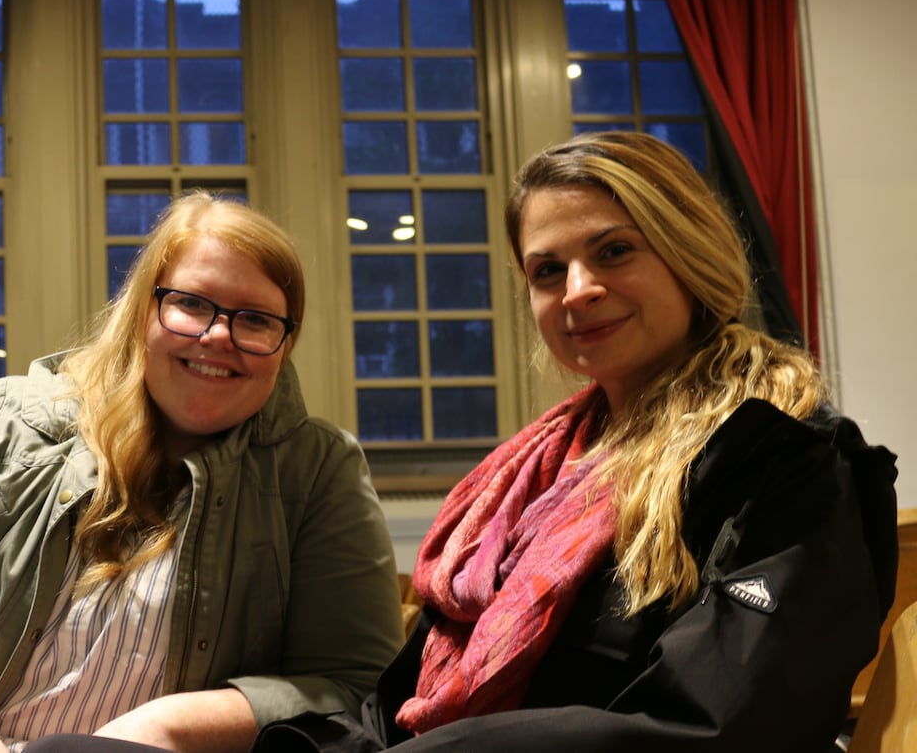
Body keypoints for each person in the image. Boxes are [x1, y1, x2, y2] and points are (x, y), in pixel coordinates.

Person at [256, 131, 899, 753]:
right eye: (547, 270)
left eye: (615, 251)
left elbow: (712, 726)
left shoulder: (790, 458)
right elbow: (395, 707)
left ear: (689, 253)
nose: (578, 290)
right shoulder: (532, 475)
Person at [0, 191, 403, 753]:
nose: (219, 335)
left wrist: (168, 726)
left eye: (256, 319)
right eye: (191, 303)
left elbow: (350, 682)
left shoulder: (319, 471)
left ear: (286, 341)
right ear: (144, 310)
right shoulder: (7, 420)